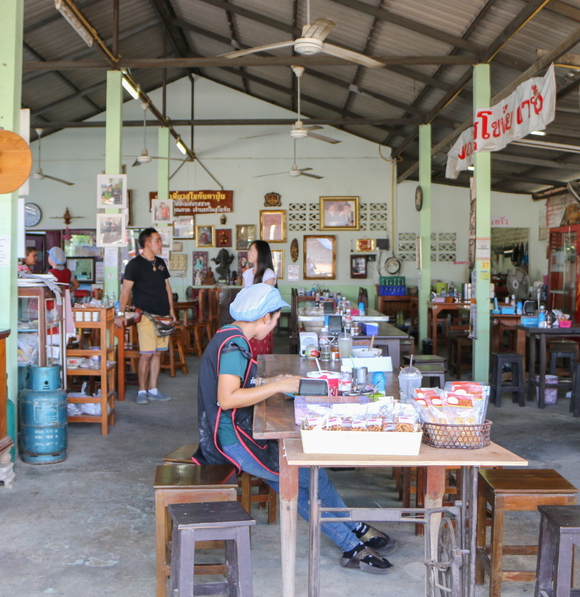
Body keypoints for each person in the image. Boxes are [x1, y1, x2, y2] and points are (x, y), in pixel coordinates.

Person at [195, 284, 397, 574]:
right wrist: (278, 385)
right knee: (295, 480)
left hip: (240, 431)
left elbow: (239, 384)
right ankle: (350, 545)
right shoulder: (234, 345)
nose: (275, 325)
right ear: (265, 317)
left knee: (313, 473)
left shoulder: (229, 336)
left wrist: (273, 380)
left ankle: (354, 528)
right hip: (229, 439)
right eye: (276, 319)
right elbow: (227, 398)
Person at [116, 228, 176, 404]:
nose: (160, 243)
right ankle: (142, 391)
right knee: (147, 354)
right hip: (146, 316)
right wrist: (120, 313)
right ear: (147, 243)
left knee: (158, 353)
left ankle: (153, 389)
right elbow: (125, 290)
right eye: (157, 240)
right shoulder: (134, 265)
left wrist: (172, 311)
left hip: (163, 315)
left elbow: (167, 287)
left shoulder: (161, 263)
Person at [240, 240, 278, 355]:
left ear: (260, 253)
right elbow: (241, 297)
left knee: (261, 353)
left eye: (251, 250)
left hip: (261, 320)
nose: (248, 253)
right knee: (246, 352)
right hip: (246, 318)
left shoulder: (268, 274)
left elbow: (262, 299)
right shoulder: (247, 273)